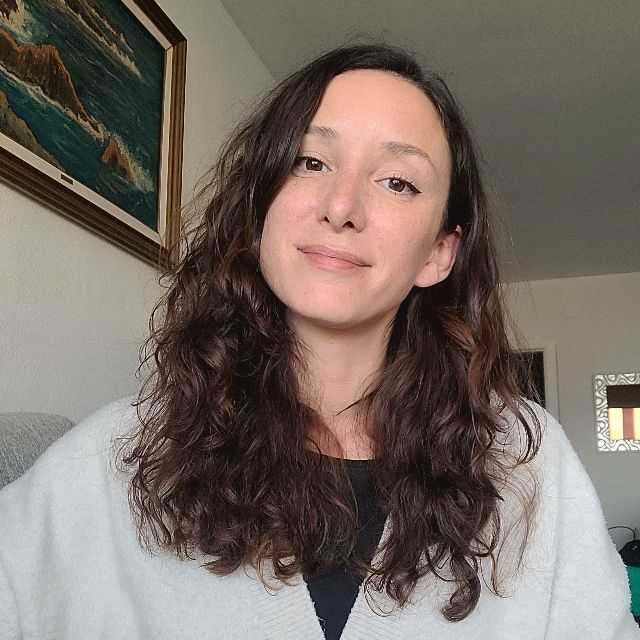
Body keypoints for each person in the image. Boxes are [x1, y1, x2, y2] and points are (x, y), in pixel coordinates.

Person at [0, 43, 637, 640]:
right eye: (310, 161)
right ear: (260, 212)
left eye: (398, 182)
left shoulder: (528, 465)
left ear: (438, 254)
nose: (341, 206)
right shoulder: (115, 458)